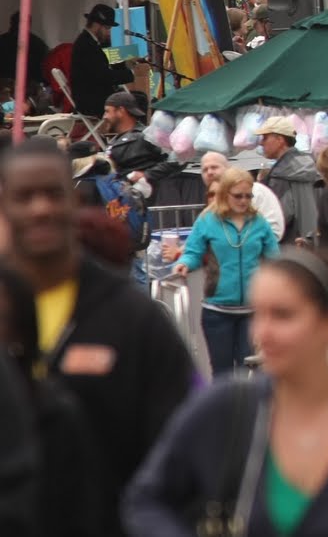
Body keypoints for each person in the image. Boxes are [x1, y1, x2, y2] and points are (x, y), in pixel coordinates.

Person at [124, 248, 328, 537]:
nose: (262, 332)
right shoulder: (225, 407)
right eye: (258, 314)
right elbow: (146, 501)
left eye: (283, 315)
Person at [1, 139, 193, 537]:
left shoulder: (134, 319)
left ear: (74, 202)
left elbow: (180, 452)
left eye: (52, 193)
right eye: (24, 196)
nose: (40, 208)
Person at [172, 165, 280, 375]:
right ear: (225, 194)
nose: (243, 201)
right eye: (238, 196)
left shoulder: (259, 223)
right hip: (217, 310)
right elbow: (193, 251)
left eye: (248, 196)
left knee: (249, 369)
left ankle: (249, 408)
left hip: (252, 310)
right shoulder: (207, 221)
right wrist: (185, 263)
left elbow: (274, 259)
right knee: (222, 372)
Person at [256, 116, 323, 245]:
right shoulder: (312, 166)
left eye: (265, 137)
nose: (261, 143)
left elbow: (279, 216)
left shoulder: (280, 174)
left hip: (291, 246)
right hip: (315, 243)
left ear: (280, 140)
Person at [69, 3, 136, 119]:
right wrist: (131, 74)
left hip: (94, 96)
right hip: (92, 101)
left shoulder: (91, 42)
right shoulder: (86, 45)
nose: (109, 32)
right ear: (96, 25)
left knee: (135, 98)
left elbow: (105, 68)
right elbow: (103, 76)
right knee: (137, 100)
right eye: (107, 28)